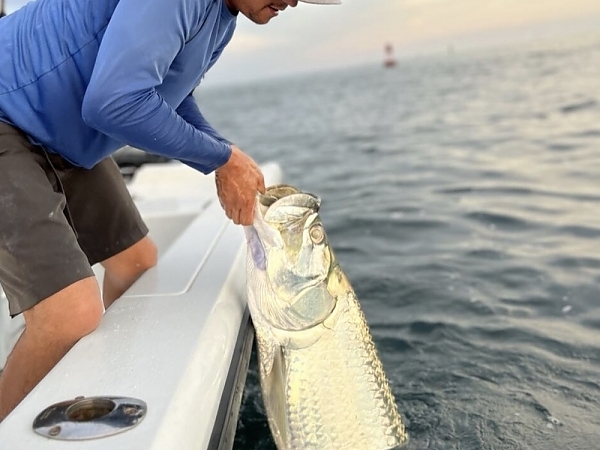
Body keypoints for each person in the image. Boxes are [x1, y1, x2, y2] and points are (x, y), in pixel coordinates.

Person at [0, 0, 341, 421]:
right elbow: (112, 103)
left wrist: (226, 156)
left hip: (59, 131)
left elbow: (167, 96)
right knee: (69, 315)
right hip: (9, 114)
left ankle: (107, 383)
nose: (292, 1)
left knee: (137, 262)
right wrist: (222, 160)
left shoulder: (223, 19)